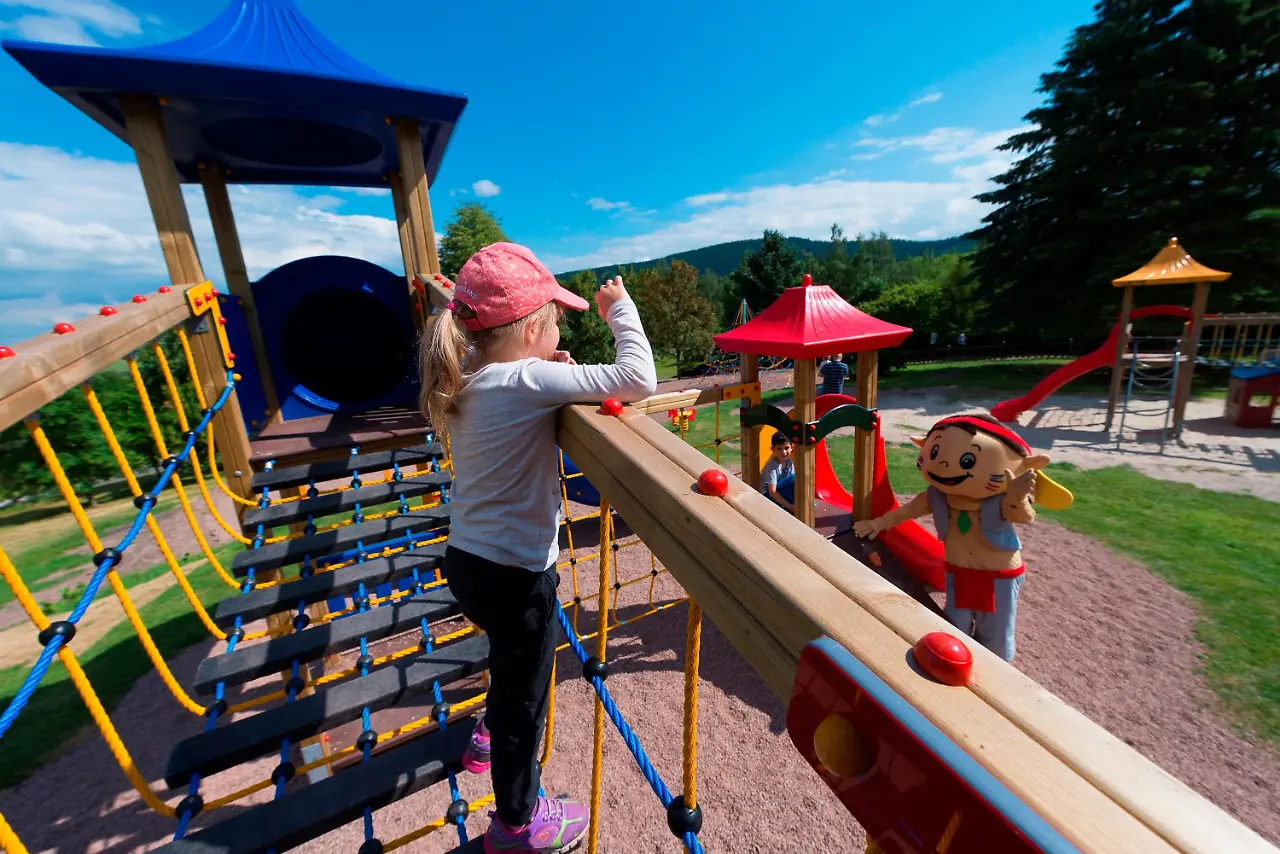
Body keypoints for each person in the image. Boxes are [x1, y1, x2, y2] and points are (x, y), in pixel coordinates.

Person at [419, 242, 657, 852]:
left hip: (467, 564)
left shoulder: (474, 377)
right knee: (527, 699)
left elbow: (526, 390)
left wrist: (555, 369)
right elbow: (639, 379)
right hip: (518, 576)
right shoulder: (530, 378)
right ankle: (517, 823)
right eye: (554, 322)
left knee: (507, 664)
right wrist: (618, 309)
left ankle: (484, 739)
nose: (558, 332)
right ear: (532, 328)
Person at [852, 414, 1056, 662]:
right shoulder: (938, 495)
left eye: (968, 460)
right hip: (959, 572)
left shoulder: (1001, 499)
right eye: (934, 451)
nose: (945, 466)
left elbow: (1024, 516)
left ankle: (998, 678)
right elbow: (907, 511)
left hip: (997, 576)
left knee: (995, 636)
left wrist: (1017, 497)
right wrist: (878, 524)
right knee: (954, 627)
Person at [761, 432, 796, 513]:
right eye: (779, 449)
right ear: (773, 450)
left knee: (795, 479)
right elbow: (772, 492)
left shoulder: (789, 462)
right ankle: (787, 506)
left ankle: (791, 504)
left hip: (780, 491)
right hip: (768, 497)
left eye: (786, 448)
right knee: (793, 478)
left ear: (792, 447)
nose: (784, 452)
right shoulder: (772, 466)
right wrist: (790, 506)